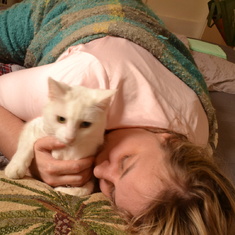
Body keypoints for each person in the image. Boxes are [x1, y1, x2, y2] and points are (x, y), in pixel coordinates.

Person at [0, 0, 234, 234]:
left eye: (110, 189)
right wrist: (28, 159)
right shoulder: (82, 80)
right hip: (78, 11)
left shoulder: (198, 142)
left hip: (141, 33)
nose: (100, 171)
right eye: (125, 161)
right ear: (169, 139)